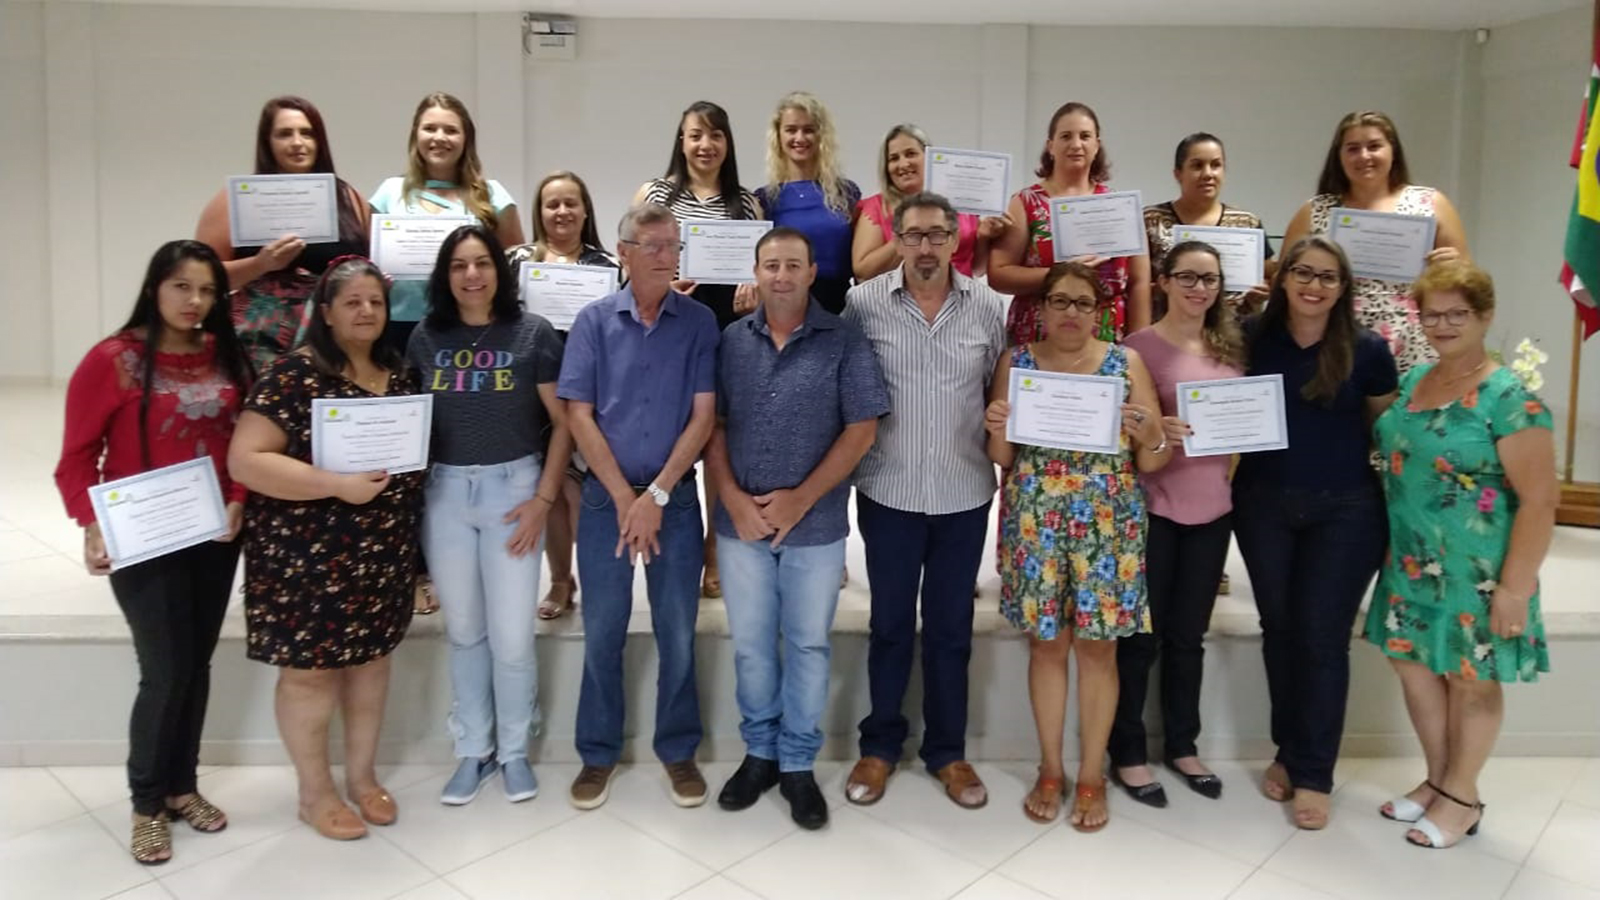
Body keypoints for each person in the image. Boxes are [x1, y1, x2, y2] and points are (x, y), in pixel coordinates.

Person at [54, 240, 253, 865]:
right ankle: (146, 804)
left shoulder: (227, 354)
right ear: (154, 288)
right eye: (182, 287)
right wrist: (91, 523)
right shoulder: (112, 360)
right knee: (164, 669)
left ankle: (180, 786)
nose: (195, 302)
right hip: (143, 534)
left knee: (196, 664)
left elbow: (246, 440)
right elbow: (76, 458)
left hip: (215, 532)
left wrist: (239, 499)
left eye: (208, 291)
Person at [228, 256, 424, 841]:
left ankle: (363, 778)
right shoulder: (292, 376)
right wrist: (335, 484)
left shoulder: (400, 375)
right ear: (328, 313)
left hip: (380, 554)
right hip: (306, 557)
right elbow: (247, 460)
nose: (366, 311)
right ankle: (314, 792)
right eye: (352, 302)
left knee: (371, 664)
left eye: (376, 302)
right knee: (311, 676)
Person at [1362, 261, 1556, 849]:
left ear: (1485, 316)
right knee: (1415, 667)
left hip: (1479, 570)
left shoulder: (1509, 398)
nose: (1443, 325)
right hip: (1412, 559)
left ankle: (1462, 798)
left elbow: (1541, 500)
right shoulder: (1416, 379)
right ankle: (1440, 781)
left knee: (1471, 680)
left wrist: (1515, 588)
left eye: (1458, 314)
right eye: (1433, 315)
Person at [707, 227, 890, 830]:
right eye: (771, 265)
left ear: (813, 273)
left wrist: (800, 500)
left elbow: (862, 429)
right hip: (741, 525)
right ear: (755, 273)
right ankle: (759, 753)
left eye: (793, 265)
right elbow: (714, 425)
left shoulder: (844, 340)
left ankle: (796, 763)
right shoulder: (731, 341)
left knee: (808, 644)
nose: (781, 276)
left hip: (816, 525)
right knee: (752, 644)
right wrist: (731, 498)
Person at [983, 261, 1169, 832]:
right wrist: (996, 424)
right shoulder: (1017, 362)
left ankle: (1091, 775)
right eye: (1059, 301)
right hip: (1036, 518)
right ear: (1041, 308)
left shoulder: (1125, 363)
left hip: (1108, 523)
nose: (1070, 313)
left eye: (1082, 303)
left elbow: (1154, 458)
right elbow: (1002, 456)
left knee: (1098, 649)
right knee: (1046, 645)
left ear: (1100, 312)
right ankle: (1049, 768)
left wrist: (1148, 432)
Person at [841, 192, 1007, 810]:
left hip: (964, 494)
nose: (926, 247)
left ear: (956, 240)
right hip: (889, 491)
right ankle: (880, 747)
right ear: (898, 239)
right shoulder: (863, 305)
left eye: (938, 234)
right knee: (888, 625)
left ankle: (947, 752)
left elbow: (995, 392)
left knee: (950, 629)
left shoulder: (987, 307)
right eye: (913, 235)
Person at [1231, 236, 1398, 831]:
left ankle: (1314, 774)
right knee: (1279, 631)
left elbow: (1386, 433)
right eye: (1302, 272)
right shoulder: (1249, 337)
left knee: (1322, 640)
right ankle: (1288, 749)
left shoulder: (1369, 350)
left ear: (1343, 288)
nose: (1314, 285)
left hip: (1347, 511)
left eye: (1328, 277)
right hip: (1262, 505)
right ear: (1283, 278)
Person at [557, 203, 720, 811]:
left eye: (672, 245)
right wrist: (628, 499)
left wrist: (655, 495)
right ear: (623, 253)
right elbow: (578, 415)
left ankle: (678, 750)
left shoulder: (699, 322)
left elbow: (704, 416)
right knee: (603, 631)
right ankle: (597, 754)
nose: (664, 256)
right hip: (607, 500)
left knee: (678, 633)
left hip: (673, 501)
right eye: (651, 245)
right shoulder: (593, 322)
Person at [408, 224, 572, 805]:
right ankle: (473, 749)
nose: (471, 275)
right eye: (458, 265)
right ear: (444, 276)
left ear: (499, 272)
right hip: (447, 495)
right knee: (465, 632)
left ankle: (514, 751)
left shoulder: (534, 333)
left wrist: (543, 500)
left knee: (511, 635)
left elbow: (565, 424)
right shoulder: (425, 337)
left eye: (481, 263)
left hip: (514, 491)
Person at [1109, 242, 1244, 808]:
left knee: (1189, 637)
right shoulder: (1137, 348)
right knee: (1140, 638)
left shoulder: (1232, 348)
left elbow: (1244, 432)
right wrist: (1151, 429)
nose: (1199, 288)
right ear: (1163, 281)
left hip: (1213, 509)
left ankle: (1183, 745)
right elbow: (1122, 434)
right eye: (1187, 277)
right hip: (1154, 508)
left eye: (1209, 279)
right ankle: (1128, 751)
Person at [631, 100, 763, 601]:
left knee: (720, 439)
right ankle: (671, 543)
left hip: (730, 332)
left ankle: (713, 550)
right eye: (695, 135)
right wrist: (660, 283)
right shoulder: (654, 193)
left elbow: (762, 269)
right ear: (681, 141)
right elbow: (630, 263)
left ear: (728, 143)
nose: (706, 145)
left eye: (716, 135)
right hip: (672, 332)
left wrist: (755, 296)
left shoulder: (747, 203)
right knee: (677, 438)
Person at [505, 171, 621, 621]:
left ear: (586, 210)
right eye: (552, 204)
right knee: (548, 488)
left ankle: (591, 578)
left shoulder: (608, 266)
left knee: (584, 491)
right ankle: (559, 580)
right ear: (539, 212)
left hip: (592, 394)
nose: (562, 212)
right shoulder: (516, 260)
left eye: (571, 202)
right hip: (532, 393)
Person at [1282, 111, 1469, 372]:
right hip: (1333, 338)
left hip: (1412, 339)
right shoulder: (1315, 210)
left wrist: (1454, 266)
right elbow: (1284, 279)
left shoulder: (1430, 204)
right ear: (1339, 156)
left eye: (1374, 146)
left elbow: (1467, 281)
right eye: (1353, 149)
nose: (1364, 156)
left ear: (1393, 150)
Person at [194, 96, 371, 372]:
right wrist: (259, 264)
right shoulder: (237, 199)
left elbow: (369, 269)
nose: (297, 142)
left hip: (335, 341)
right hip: (258, 344)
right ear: (267, 142)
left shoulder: (349, 197)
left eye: (307, 133)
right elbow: (201, 277)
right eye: (285, 134)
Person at [371, 92, 525, 354]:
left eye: (451, 130)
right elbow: (365, 267)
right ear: (415, 135)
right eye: (430, 128)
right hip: (398, 326)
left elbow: (514, 268)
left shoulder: (493, 196)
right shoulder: (388, 192)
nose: (440, 137)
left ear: (466, 139)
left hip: (473, 326)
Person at [990, 101, 1152, 346]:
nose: (1076, 144)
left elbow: (1139, 282)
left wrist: (1139, 346)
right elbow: (999, 274)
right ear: (1050, 146)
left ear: (1097, 145)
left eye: (1085, 136)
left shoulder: (1121, 207)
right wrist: (1059, 273)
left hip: (1106, 338)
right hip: (1039, 337)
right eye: (1066, 136)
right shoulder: (1026, 203)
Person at [851, 124, 1007, 282]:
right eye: (894, 158)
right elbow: (863, 272)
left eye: (911, 154)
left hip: (959, 295)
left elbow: (977, 269)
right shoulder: (877, 207)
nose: (903, 164)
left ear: (929, 155)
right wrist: (909, 234)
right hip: (898, 296)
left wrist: (983, 238)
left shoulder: (959, 202)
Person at [1142, 133, 1272, 322]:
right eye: (1197, 166)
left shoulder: (1248, 223)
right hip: (1167, 330)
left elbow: (1269, 276)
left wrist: (1261, 292)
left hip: (1234, 332)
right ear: (1178, 174)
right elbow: (1134, 283)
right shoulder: (1150, 220)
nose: (1208, 174)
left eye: (1216, 165)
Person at [754, 92, 860, 315]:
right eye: (791, 130)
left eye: (809, 130)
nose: (800, 138)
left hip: (840, 308)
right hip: (783, 307)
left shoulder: (846, 193)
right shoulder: (764, 199)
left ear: (821, 135)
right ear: (778, 135)